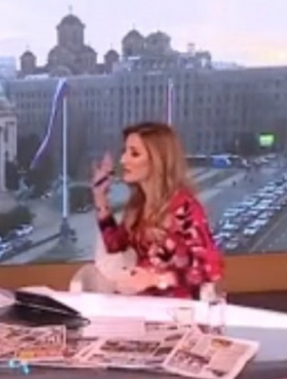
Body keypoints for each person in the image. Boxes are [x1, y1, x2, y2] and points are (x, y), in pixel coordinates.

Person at [90, 122, 223, 299]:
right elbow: (115, 244)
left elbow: (211, 269)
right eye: (125, 151)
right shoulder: (139, 205)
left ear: (157, 160)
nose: (123, 160)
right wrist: (100, 196)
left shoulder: (183, 207)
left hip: (177, 308)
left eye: (134, 153)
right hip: (144, 302)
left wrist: (156, 279)